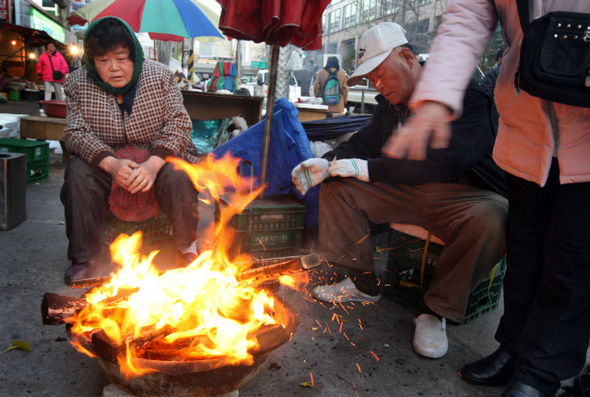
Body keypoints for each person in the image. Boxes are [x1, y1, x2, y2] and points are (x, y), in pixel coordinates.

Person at [382, 2, 590, 397]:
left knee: (571, 259)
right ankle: (513, 348)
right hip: (527, 121)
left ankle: (539, 372)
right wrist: (434, 99)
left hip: (585, 127)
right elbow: (468, 19)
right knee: (526, 250)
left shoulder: (476, 101)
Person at [291, 22, 508, 359]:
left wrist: (368, 168)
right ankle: (362, 282)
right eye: (371, 79)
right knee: (337, 185)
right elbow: (364, 143)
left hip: (463, 195)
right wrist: (326, 162)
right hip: (405, 190)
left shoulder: (465, 94)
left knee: (491, 217)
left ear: (407, 57)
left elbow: (445, 160)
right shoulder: (390, 107)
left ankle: (435, 312)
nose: (377, 84)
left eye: (381, 74)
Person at [61, 17, 201, 285]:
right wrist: (111, 164)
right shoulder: (78, 83)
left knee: (179, 173)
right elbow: (74, 132)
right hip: (108, 161)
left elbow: (179, 123)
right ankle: (84, 257)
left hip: (155, 157)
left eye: (122, 57)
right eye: (103, 60)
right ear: (92, 62)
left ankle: (187, 247)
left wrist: (153, 163)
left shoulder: (158, 75)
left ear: (134, 55)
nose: (114, 68)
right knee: (77, 172)